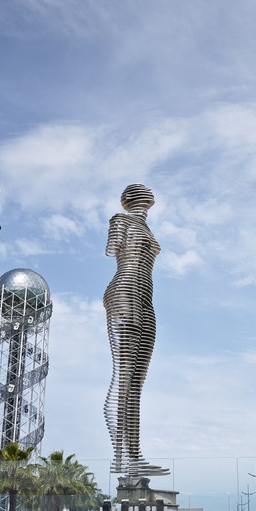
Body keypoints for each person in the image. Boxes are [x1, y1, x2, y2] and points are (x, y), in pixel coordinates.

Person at [103, 183, 167, 485]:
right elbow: (111, 250)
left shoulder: (146, 227)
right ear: (129, 198)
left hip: (145, 298)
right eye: (142, 189)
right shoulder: (120, 219)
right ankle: (123, 456)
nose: (149, 190)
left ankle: (134, 456)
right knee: (124, 376)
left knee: (137, 381)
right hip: (124, 291)